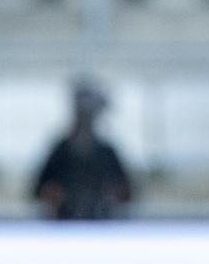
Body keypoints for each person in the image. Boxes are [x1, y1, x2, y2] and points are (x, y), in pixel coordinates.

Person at [32, 80, 135, 220]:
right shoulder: (60, 152)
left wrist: (114, 195)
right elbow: (39, 190)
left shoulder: (107, 153)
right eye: (82, 114)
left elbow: (127, 192)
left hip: (102, 226)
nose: (85, 120)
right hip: (64, 227)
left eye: (89, 115)